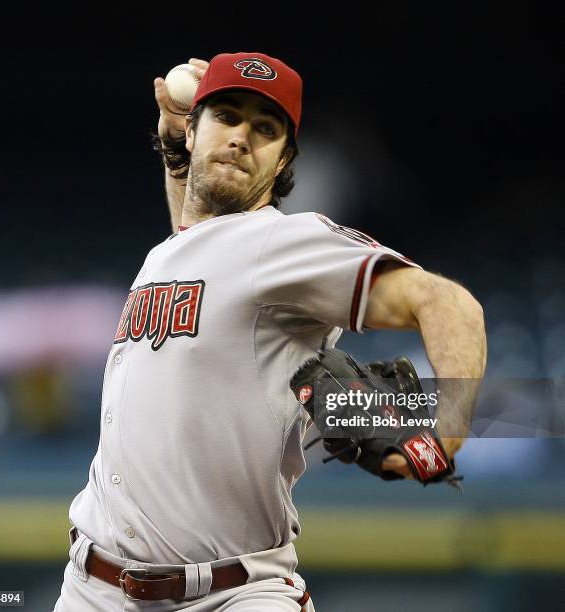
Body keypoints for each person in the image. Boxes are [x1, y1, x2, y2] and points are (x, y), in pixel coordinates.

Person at [54, 52, 486, 611]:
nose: (241, 138)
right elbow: (198, 239)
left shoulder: (284, 244)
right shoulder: (179, 249)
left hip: (234, 595)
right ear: (194, 128)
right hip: (93, 589)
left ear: (284, 162)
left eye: (265, 128)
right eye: (227, 116)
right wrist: (171, 144)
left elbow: (450, 303)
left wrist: (442, 438)